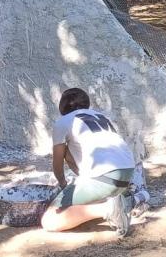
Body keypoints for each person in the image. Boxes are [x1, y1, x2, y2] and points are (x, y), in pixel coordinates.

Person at [41, 88, 137, 237]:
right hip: (127, 172)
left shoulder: (63, 122)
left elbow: (57, 162)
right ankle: (118, 197)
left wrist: (62, 184)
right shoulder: (101, 117)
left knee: (49, 220)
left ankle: (109, 209)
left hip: (104, 177)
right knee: (69, 150)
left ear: (62, 107)